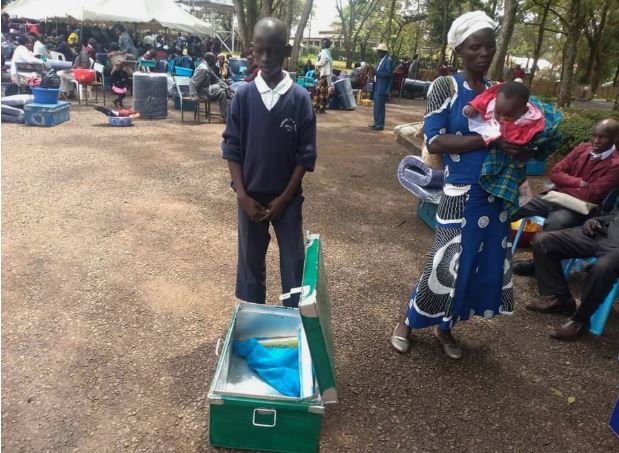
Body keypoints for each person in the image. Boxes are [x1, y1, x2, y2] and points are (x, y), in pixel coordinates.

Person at [390, 11, 524, 359]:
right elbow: (435, 141)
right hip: (460, 195)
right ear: (459, 50)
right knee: (444, 260)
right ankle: (407, 321)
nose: (483, 53)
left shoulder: (498, 93)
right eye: (474, 47)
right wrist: (489, 140)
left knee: (475, 263)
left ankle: (446, 326)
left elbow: (510, 132)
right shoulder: (445, 87)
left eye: (488, 47)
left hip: (494, 195)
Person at [221, 17, 317, 308]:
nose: (264, 58)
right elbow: (232, 147)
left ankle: (293, 319)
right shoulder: (243, 96)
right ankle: (253, 317)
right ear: (251, 50)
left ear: (286, 52)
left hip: (286, 200)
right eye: (258, 50)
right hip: (249, 197)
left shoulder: (300, 99)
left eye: (272, 51)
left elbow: (305, 155)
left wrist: (285, 197)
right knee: (250, 262)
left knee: (293, 261)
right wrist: (242, 195)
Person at [513, 119, 619, 275]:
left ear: (614, 139)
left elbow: (592, 193)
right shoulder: (583, 148)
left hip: (580, 208)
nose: (596, 141)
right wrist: (578, 182)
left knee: (555, 222)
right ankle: (491, 247)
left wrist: (564, 185)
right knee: (513, 206)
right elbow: (555, 172)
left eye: (602, 137)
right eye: (594, 136)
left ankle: (537, 266)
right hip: (555, 197)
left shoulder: (615, 164)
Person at [526, 209, 618, 340]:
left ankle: (580, 321)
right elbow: (615, 215)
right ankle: (561, 299)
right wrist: (597, 220)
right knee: (543, 240)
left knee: (602, 269)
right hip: (602, 234)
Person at [463, 81, 545, 214]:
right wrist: (472, 107)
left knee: (513, 174)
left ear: (523, 111)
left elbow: (522, 142)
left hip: (513, 159)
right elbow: (482, 100)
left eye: (508, 116)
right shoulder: (493, 102)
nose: (501, 119)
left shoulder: (529, 121)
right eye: (498, 113)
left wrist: (512, 139)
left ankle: (514, 199)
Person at [189, 52, 231, 121]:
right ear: (210, 59)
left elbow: (216, 78)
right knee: (219, 87)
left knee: (222, 93)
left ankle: (225, 115)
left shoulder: (207, 66)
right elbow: (192, 82)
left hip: (207, 90)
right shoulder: (203, 68)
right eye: (214, 59)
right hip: (202, 93)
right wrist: (194, 96)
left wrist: (227, 87)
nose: (216, 61)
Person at [369, 43, 392, 131]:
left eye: (379, 51)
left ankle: (380, 124)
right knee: (376, 105)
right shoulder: (380, 60)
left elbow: (388, 74)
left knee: (380, 106)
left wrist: (376, 73)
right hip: (377, 85)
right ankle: (376, 123)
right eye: (377, 51)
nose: (377, 53)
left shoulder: (388, 60)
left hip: (382, 86)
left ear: (383, 52)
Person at [314, 38, 332, 114]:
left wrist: (315, 63)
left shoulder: (324, 53)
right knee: (322, 91)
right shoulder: (326, 53)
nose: (322, 45)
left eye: (324, 44)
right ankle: (320, 108)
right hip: (323, 74)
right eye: (322, 43)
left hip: (323, 74)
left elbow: (321, 62)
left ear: (327, 45)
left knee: (321, 91)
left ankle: (319, 107)